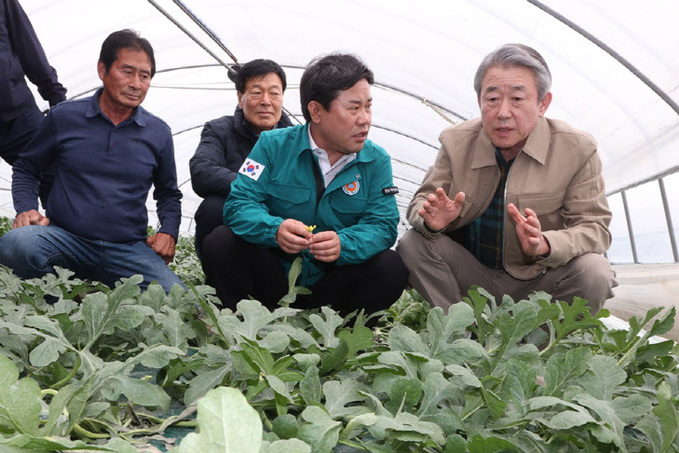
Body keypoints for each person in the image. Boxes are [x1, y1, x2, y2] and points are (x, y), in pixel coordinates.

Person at [397, 43, 616, 313]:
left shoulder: (576, 149)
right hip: (473, 278)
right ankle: (460, 335)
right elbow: (421, 202)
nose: (503, 112)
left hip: (540, 280)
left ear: (542, 103)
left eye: (517, 99)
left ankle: (540, 349)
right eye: (492, 99)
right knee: (413, 243)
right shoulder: (456, 143)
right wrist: (431, 220)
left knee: (595, 270)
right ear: (479, 101)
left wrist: (546, 243)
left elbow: (594, 229)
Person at [202, 53, 408, 315]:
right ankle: (244, 324)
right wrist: (275, 230)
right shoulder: (271, 146)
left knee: (390, 267)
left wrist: (343, 244)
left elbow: (383, 224)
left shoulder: (376, 160)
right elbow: (239, 203)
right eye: (354, 108)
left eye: (368, 106)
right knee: (221, 242)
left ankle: (342, 339)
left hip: (333, 283)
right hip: (273, 275)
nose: (365, 118)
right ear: (316, 111)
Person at [0, 29, 184, 292]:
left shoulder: (159, 132)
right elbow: (27, 167)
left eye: (145, 76)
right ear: (102, 69)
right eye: (127, 71)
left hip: (127, 249)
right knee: (17, 244)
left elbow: (168, 194)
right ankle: (62, 300)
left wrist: (169, 231)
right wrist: (27, 208)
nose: (136, 83)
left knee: (178, 302)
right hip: (64, 239)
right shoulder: (65, 117)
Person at [189, 59, 292, 263]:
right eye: (256, 92)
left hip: (281, 224)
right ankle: (216, 279)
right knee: (213, 208)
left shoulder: (297, 139)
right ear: (240, 97)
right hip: (236, 221)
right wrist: (256, 189)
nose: (266, 101)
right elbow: (202, 171)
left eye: (274, 93)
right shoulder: (219, 129)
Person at [0, 0, 67, 206]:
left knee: (58, 177)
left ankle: (66, 236)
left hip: (16, 110)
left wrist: (55, 95)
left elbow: (25, 43)